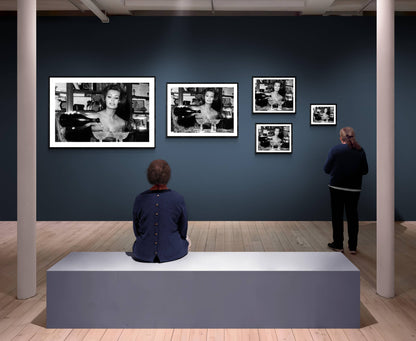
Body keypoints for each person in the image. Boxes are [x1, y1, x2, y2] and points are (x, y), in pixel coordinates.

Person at [132, 160, 190, 263]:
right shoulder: (178, 198)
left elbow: (137, 231)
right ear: (168, 175)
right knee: (187, 240)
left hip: (142, 253)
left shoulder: (139, 199)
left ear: (149, 175)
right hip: (173, 252)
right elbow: (183, 230)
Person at [324, 127, 368, 254]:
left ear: (340, 138)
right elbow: (365, 170)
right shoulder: (360, 151)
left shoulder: (335, 150)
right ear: (353, 137)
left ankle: (338, 244)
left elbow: (326, 169)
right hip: (354, 189)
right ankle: (353, 247)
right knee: (353, 217)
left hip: (336, 187)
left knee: (337, 216)